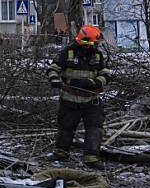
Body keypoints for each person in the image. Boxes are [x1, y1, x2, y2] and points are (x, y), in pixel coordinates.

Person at [46, 25, 111, 169]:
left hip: (91, 100)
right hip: (70, 99)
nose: (96, 45)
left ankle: (91, 157)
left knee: (95, 128)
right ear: (86, 41)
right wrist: (55, 80)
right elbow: (53, 69)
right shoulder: (67, 53)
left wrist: (94, 83)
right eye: (95, 42)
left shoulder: (97, 55)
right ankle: (61, 152)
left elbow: (105, 73)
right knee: (66, 127)